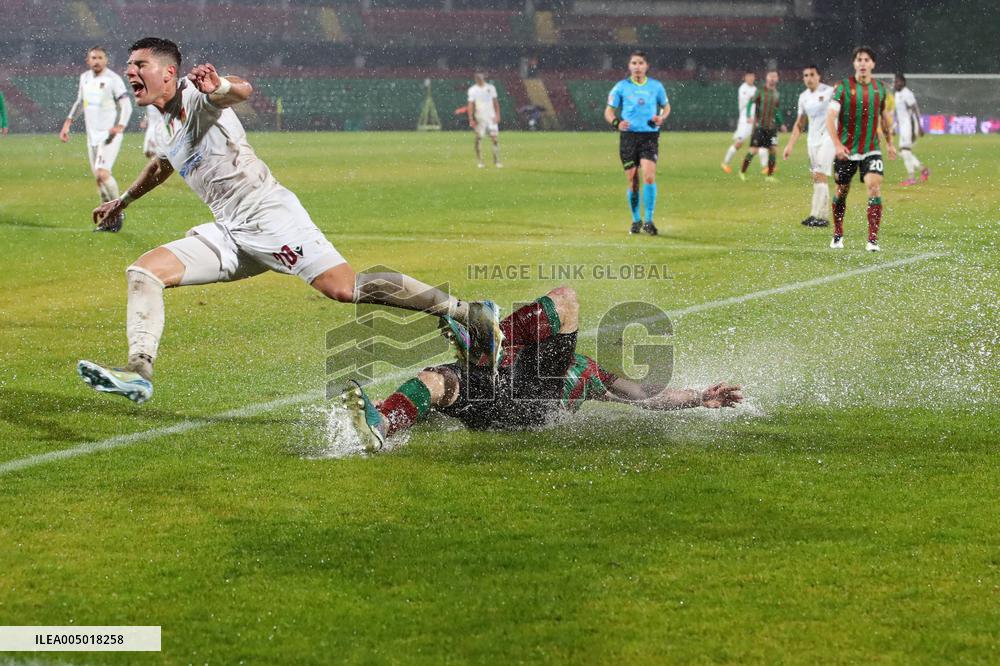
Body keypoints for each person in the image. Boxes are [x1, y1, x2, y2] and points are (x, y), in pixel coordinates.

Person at [77, 38, 503, 405]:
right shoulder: (162, 115)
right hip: (230, 229)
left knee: (344, 288)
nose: (129, 71)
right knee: (144, 272)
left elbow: (239, 91)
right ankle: (139, 371)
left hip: (271, 219)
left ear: (169, 72)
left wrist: (221, 85)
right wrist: (124, 200)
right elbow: (164, 163)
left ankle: (467, 312)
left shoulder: (194, 95)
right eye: (129, 65)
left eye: (139, 65)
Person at [340, 286, 743, 452]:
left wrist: (696, 397)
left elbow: (642, 395)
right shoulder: (558, 367)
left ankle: (388, 421)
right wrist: (400, 409)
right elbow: (639, 395)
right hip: (505, 400)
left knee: (435, 382)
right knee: (435, 382)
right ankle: (381, 428)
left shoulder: (578, 370)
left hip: (527, 405)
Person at [825, 47, 897, 252]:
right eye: (859, 60)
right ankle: (838, 234)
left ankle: (872, 240)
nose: (863, 63)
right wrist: (838, 144)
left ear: (873, 64)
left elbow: (884, 119)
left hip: (871, 148)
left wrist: (890, 143)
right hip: (846, 150)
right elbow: (830, 117)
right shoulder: (842, 88)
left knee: (874, 186)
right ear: (854, 64)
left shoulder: (881, 89)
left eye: (867, 60)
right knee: (842, 191)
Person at [59, 46, 133, 232]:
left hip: (110, 134)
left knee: (102, 173)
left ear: (106, 60)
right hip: (92, 136)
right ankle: (107, 221)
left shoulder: (113, 79)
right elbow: (79, 102)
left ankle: (118, 211)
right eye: (94, 58)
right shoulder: (84, 78)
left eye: (100, 57)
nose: (97, 61)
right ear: (88, 60)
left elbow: (126, 106)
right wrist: (68, 122)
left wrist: (120, 126)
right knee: (99, 180)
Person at [604, 50, 671, 236]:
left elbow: (666, 106)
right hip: (629, 138)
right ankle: (636, 220)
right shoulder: (621, 87)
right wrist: (617, 123)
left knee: (649, 176)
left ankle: (649, 220)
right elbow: (608, 112)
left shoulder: (656, 87)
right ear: (629, 66)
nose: (637, 67)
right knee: (633, 181)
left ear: (647, 66)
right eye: (634, 63)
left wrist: (661, 117)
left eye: (641, 63)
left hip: (649, 136)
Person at [782, 65, 836, 227]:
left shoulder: (829, 92)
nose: (809, 78)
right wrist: (790, 145)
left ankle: (823, 216)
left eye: (812, 74)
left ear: (819, 76)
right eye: (806, 75)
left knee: (820, 173)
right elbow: (800, 124)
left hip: (828, 139)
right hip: (812, 141)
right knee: (816, 177)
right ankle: (815, 214)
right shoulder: (803, 97)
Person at [739, 70, 784, 182]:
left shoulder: (776, 94)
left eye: (775, 76)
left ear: (777, 79)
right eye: (770, 76)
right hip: (760, 127)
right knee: (753, 150)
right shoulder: (760, 91)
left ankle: (769, 176)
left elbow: (776, 111)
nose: (772, 78)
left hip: (772, 128)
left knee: (773, 150)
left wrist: (781, 123)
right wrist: (749, 115)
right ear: (767, 78)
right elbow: (750, 103)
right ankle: (742, 172)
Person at [893, 73, 929, 186]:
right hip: (903, 126)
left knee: (905, 151)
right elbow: (900, 114)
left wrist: (920, 126)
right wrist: (895, 126)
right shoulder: (897, 94)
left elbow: (915, 109)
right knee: (903, 152)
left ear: (903, 82)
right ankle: (923, 170)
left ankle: (912, 177)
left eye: (897, 81)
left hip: (910, 126)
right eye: (895, 82)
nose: (895, 84)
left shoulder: (907, 94)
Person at [721, 71, 759, 173]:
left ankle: (766, 167)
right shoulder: (743, 89)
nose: (751, 78)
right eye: (749, 76)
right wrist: (748, 116)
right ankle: (725, 163)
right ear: (745, 77)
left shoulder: (755, 89)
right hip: (745, 120)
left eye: (752, 76)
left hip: (753, 119)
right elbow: (747, 103)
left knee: (759, 143)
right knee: (739, 143)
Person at [467, 73, 502, 168]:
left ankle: (497, 160)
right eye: (477, 78)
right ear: (475, 79)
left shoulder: (491, 88)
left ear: (483, 78)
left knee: (494, 138)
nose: (479, 79)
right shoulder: (473, 90)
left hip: (491, 117)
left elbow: (495, 102)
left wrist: (498, 114)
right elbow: (470, 105)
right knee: (478, 139)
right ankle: (480, 161)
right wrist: (471, 118)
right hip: (480, 118)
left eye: (480, 77)